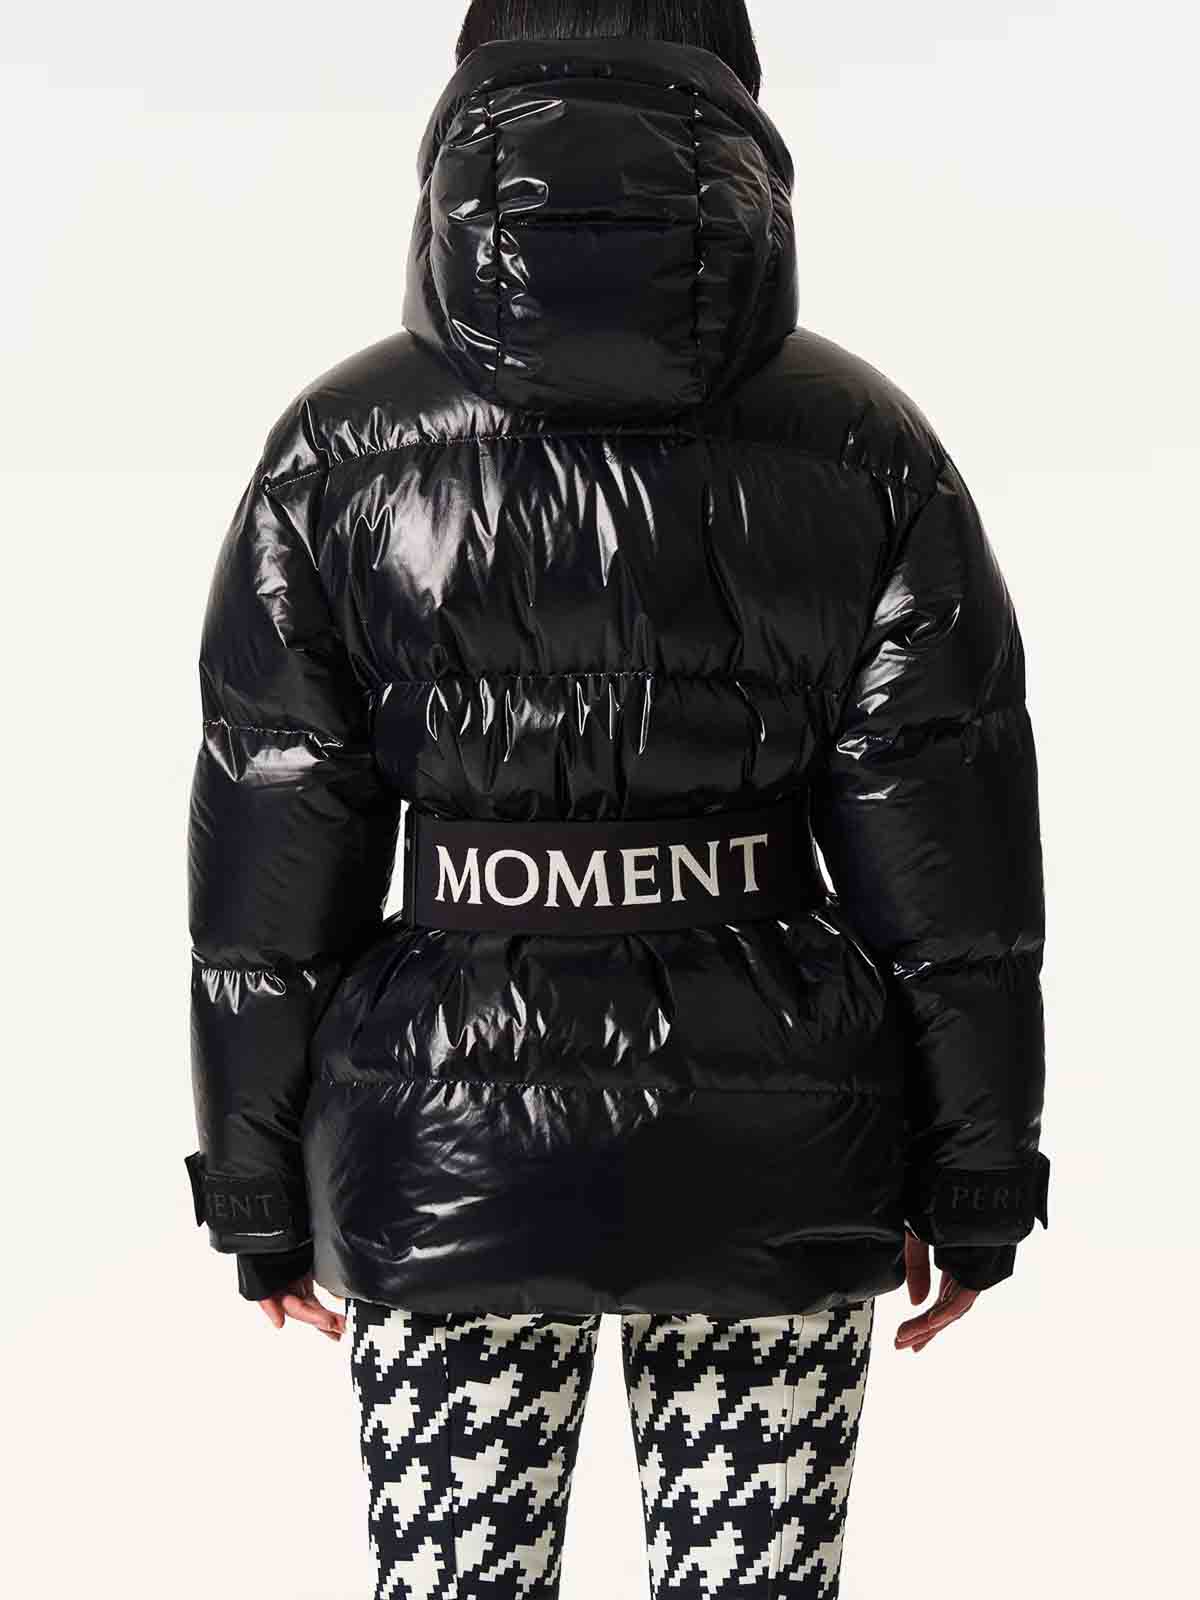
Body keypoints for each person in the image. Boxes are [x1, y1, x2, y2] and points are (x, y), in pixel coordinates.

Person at [183, 3, 1051, 1595]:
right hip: (780, 1139)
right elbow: (953, 865)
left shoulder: (339, 451)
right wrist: (978, 1171)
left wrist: (253, 1186)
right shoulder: (867, 446)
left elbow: (274, 860)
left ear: (469, 114)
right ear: (736, 111)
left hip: (440, 1137)